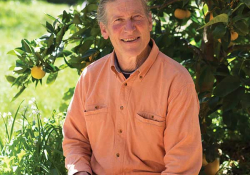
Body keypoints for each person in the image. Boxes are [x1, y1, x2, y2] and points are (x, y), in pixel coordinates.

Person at [62, 0, 202, 174]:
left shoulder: (177, 81)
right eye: (118, 20)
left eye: (136, 17)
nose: (129, 28)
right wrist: (80, 172)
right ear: (104, 29)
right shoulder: (90, 77)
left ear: (150, 21)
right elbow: (75, 141)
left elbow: (182, 165)